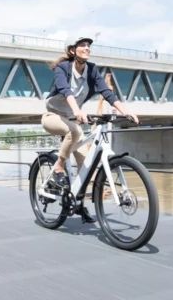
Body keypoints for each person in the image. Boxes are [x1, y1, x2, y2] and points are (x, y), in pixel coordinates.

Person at [41, 36, 138, 223]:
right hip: (52, 116)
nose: (87, 48)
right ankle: (59, 168)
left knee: (86, 165)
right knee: (76, 131)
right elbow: (65, 90)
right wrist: (77, 111)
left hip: (71, 119)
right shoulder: (63, 68)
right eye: (82, 45)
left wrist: (126, 112)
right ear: (72, 51)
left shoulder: (92, 70)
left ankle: (78, 203)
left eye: (88, 46)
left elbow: (107, 92)